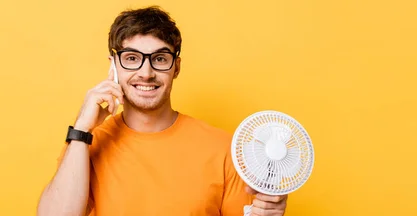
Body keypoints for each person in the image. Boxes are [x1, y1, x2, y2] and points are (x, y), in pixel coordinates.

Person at [37, 6, 288, 216]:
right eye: (132, 58)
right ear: (113, 66)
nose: (146, 73)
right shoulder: (86, 143)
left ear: (176, 67)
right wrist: (81, 128)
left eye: (159, 58)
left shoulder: (225, 149)